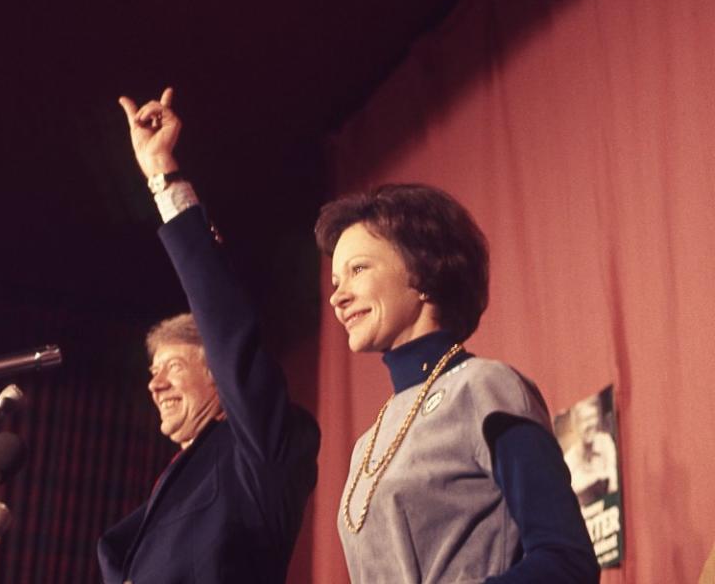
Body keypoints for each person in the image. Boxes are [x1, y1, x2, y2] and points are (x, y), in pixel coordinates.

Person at [315, 185, 600, 583]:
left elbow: (567, 562)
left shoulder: (486, 389)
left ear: (423, 273)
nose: (338, 297)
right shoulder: (367, 444)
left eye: (358, 269)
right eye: (335, 280)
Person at [97, 89, 320, 584]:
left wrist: (163, 177)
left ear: (220, 372)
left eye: (173, 367)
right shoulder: (169, 488)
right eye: (153, 373)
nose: (154, 386)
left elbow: (224, 317)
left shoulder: (259, 451)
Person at [563, 396, 619, 506]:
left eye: (592, 417)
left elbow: (614, 482)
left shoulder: (605, 442)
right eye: (585, 419)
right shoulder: (569, 459)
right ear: (576, 425)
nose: (590, 424)